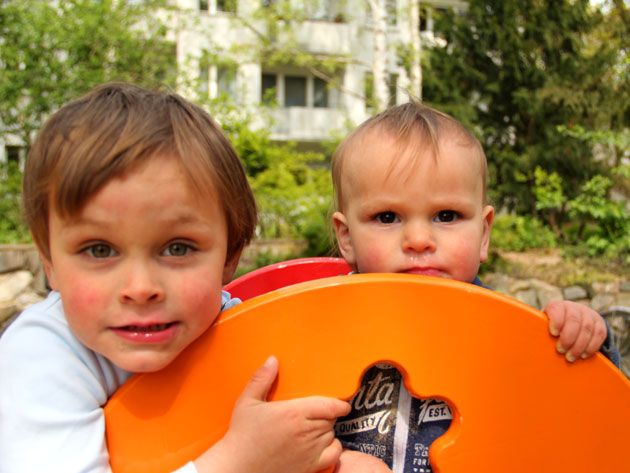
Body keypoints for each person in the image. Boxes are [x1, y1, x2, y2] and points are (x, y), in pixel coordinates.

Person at [0, 82, 350, 473]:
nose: (140, 289)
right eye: (99, 250)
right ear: (49, 261)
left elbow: (299, 427)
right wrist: (239, 464)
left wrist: (340, 459)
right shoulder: (41, 355)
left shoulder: (235, 326)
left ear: (230, 255)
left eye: (178, 248)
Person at [329, 101, 620, 473]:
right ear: (347, 236)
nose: (418, 239)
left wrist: (583, 338)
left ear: (483, 234)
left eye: (446, 216)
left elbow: (593, 419)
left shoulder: (511, 333)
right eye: (387, 217)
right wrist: (330, 463)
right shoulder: (320, 327)